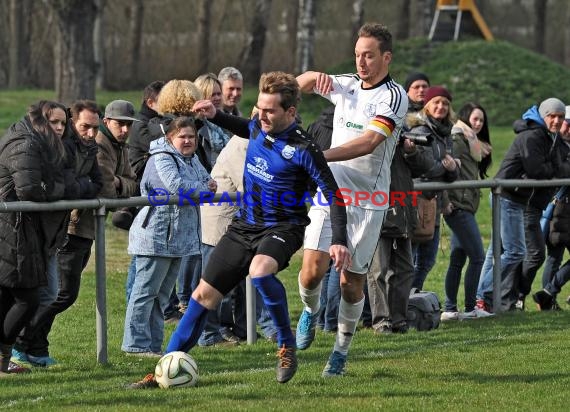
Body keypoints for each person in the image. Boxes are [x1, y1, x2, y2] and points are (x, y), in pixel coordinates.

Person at [129, 71, 349, 388]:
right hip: (244, 226)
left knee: (260, 272)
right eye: (259, 108)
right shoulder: (258, 128)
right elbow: (243, 126)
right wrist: (215, 114)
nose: (262, 115)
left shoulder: (304, 149)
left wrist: (338, 240)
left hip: (283, 227)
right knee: (202, 296)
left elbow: (334, 196)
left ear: (290, 112)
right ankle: (162, 370)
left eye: (270, 110)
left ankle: (286, 344)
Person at [295, 23, 408, 377]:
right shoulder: (345, 83)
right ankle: (310, 313)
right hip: (331, 195)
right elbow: (295, 86)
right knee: (311, 272)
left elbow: (369, 143)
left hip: (368, 200)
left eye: (369, 55)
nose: (361, 62)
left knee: (350, 281)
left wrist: (319, 155)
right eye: (357, 54)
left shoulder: (394, 97)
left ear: (386, 57)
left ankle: (340, 351)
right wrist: (313, 75)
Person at [11, 100, 103, 367]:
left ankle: (34, 348)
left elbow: (97, 183)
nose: (90, 133)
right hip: (48, 228)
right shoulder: (54, 147)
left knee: (53, 294)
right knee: (54, 293)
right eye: (85, 126)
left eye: (95, 128)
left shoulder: (87, 147)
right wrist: (75, 187)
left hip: (62, 229)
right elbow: (58, 186)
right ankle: (20, 344)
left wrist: (77, 186)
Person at [122, 117, 215, 356]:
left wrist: (203, 186)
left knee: (161, 297)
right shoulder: (161, 158)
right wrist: (203, 188)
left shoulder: (192, 159)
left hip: (178, 239)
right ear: (169, 138)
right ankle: (135, 345)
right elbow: (177, 186)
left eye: (191, 137)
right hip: (155, 235)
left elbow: (209, 181)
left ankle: (152, 345)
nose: (187, 141)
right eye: (182, 136)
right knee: (144, 293)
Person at [0, 101, 71, 375]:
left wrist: (54, 185)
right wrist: (59, 187)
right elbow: (31, 189)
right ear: (39, 121)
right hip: (11, 229)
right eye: (54, 122)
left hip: (20, 229)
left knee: (13, 296)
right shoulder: (24, 143)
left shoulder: (37, 143)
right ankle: (4, 359)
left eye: (63, 123)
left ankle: (4, 363)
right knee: (26, 297)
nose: (60, 128)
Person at [477, 97, 567, 311]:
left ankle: (481, 299)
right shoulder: (533, 136)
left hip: (516, 198)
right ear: (543, 116)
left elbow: (556, 168)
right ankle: (487, 295)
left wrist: (551, 167)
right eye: (552, 116)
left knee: (496, 252)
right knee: (516, 252)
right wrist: (551, 168)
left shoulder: (547, 136)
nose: (556, 121)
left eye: (560, 117)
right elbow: (538, 170)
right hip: (508, 196)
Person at [198, 132, 277, 347]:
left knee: (245, 278)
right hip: (221, 221)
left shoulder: (260, 144)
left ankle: (244, 329)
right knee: (215, 282)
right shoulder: (242, 145)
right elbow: (250, 186)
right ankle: (209, 335)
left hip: (243, 221)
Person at [440, 102, 494, 320]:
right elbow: (445, 168)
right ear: (465, 118)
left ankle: (450, 309)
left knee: (458, 258)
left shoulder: (471, 140)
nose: (479, 124)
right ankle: (470, 308)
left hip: (465, 205)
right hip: (458, 205)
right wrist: (445, 200)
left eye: (482, 120)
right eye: (475, 119)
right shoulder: (458, 138)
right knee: (478, 257)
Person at [408, 86, 460, 291]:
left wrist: (451, 169)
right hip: (416, 202)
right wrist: (448, 169)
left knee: (427, 261)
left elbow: (453, 172)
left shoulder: (445, 133)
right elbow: (426, 167)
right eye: (436, 102)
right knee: (410, 259)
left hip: (433, 203)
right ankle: (403, 301)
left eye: (445, 103)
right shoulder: (419, 131)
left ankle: (413, 296)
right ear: (427, 105)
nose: (441, 107)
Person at [532, 106, 570, 310]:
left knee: (554, 256)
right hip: (558, 208)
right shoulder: (554, 145)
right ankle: (548, 295)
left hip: (562, 209)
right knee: (554, 255)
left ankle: (547, 296)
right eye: (568, 124)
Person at [194, 73, 230, 166]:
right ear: (201, 96)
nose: (217, 98)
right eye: (212, 95)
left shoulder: (225, 120)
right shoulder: (194, 126)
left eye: (219, 94)